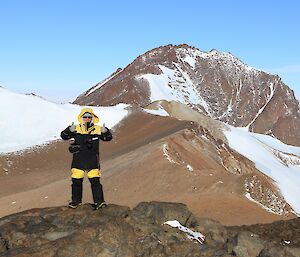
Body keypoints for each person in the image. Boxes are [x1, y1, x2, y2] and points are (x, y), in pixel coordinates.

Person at [60, 108, 112, 210]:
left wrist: (106, 132)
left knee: (95, 181)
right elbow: (64, 136)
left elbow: (108, 138)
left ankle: (99, 202)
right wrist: (68, 130)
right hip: (78, 160)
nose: (87, 119)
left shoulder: (97, 129)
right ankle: (76, 201)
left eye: (89, 117)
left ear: (93, 118)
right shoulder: (76, 128)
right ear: (81, 118)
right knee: (76, 181)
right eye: (85, 117)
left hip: (92, 160)